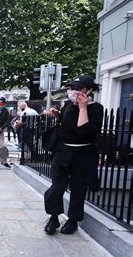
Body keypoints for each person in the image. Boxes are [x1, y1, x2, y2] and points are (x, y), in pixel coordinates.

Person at [44, 75, 104, 235]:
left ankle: (73, 220)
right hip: (63, 151)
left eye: (80, 88)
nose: (74, 91)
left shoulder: (96, 109)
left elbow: (84, 131)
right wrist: (58, 115)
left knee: (78, 188)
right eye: (73, 88)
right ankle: (53, 217)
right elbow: (64, 124)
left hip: (83, 154)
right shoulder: (68, 105)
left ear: (90, 90)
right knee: (57, 187)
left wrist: (83, 108)